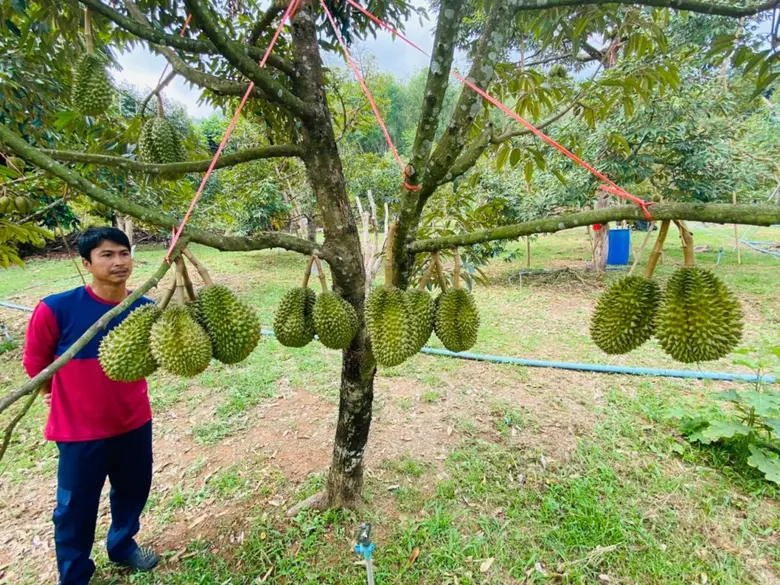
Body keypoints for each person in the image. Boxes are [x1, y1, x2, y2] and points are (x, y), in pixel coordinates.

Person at [23, 227, 160, 585]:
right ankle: (75, 573)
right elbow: (37, 365)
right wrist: (55, 395)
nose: (118, 262)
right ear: (87, 263)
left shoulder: (144, 309)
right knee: (74, 507)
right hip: (78, 430)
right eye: (107, 255)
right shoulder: (56, 308)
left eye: (124, 253)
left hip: (133, 421)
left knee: (133, 489)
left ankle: (122, 544)